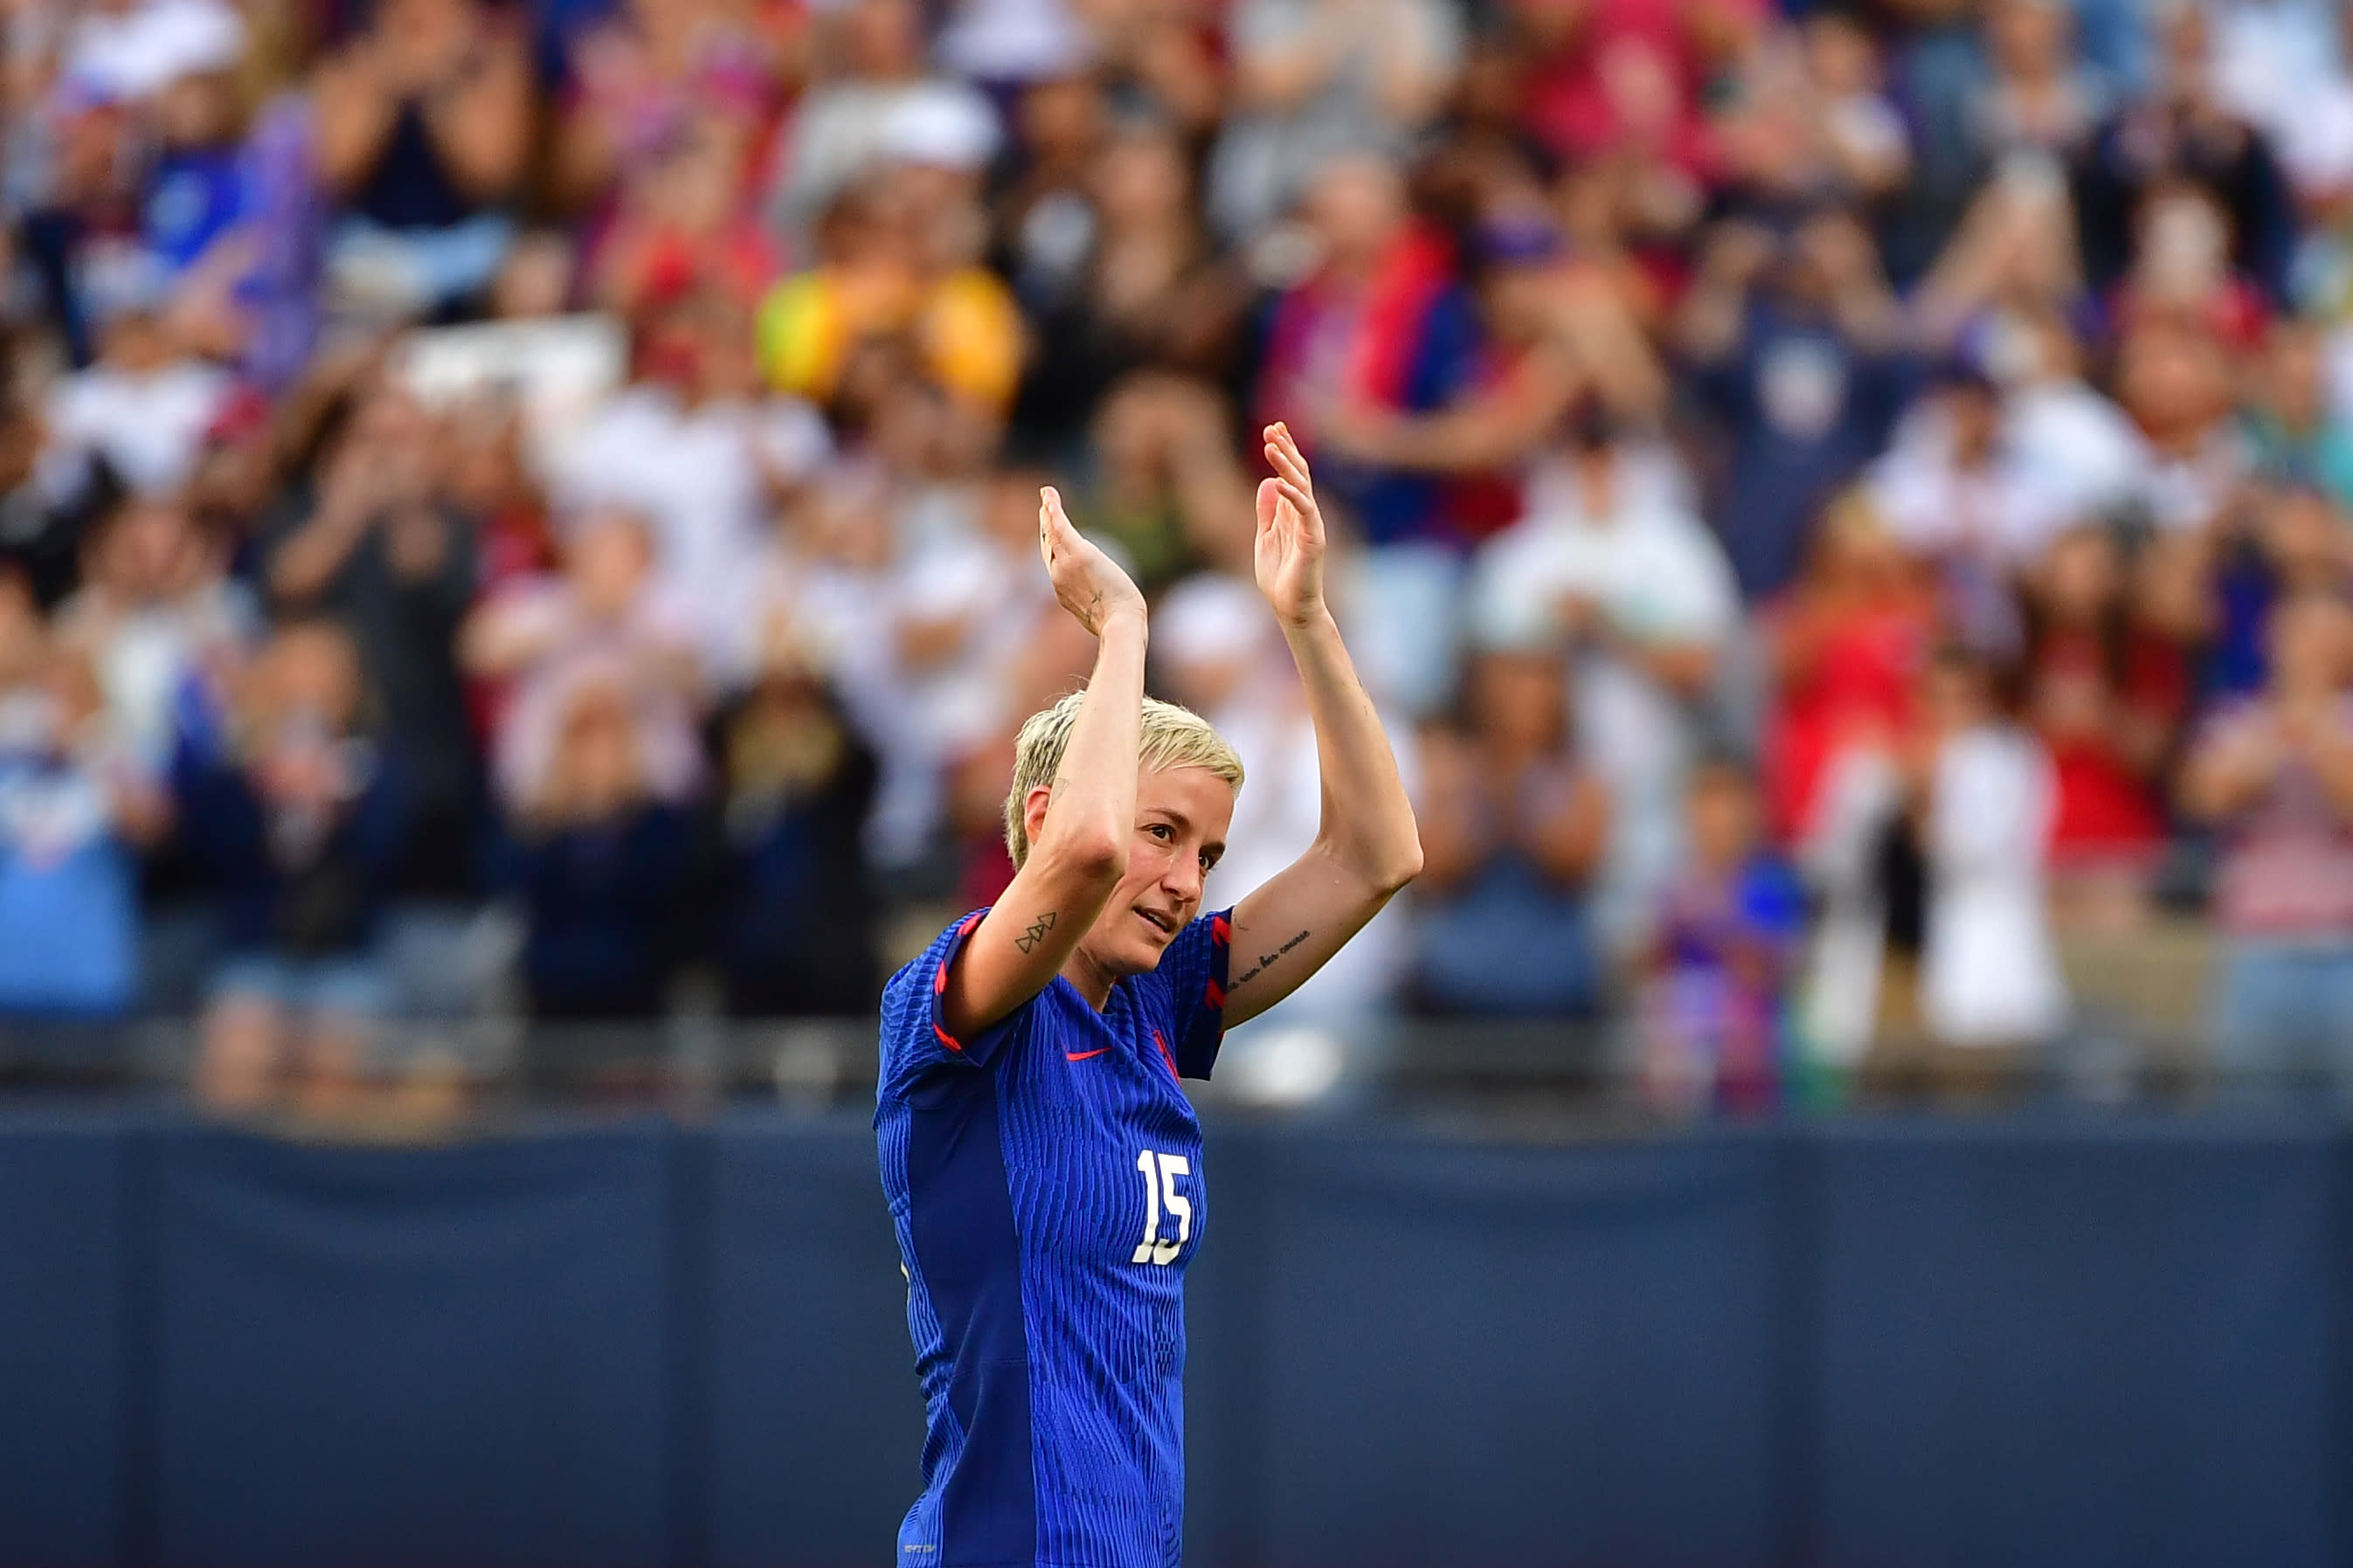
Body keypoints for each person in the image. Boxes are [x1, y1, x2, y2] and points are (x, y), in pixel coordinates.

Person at [873, 424, 1420, 1564]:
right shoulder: (960, 997)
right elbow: (1075, 858)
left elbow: (1376, 855)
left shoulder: (1155, 1005)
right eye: (1159, 834)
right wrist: (1120, 626)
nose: (1184, 883)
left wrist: (1306, 622)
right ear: (1039, 817)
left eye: (1206, 856)